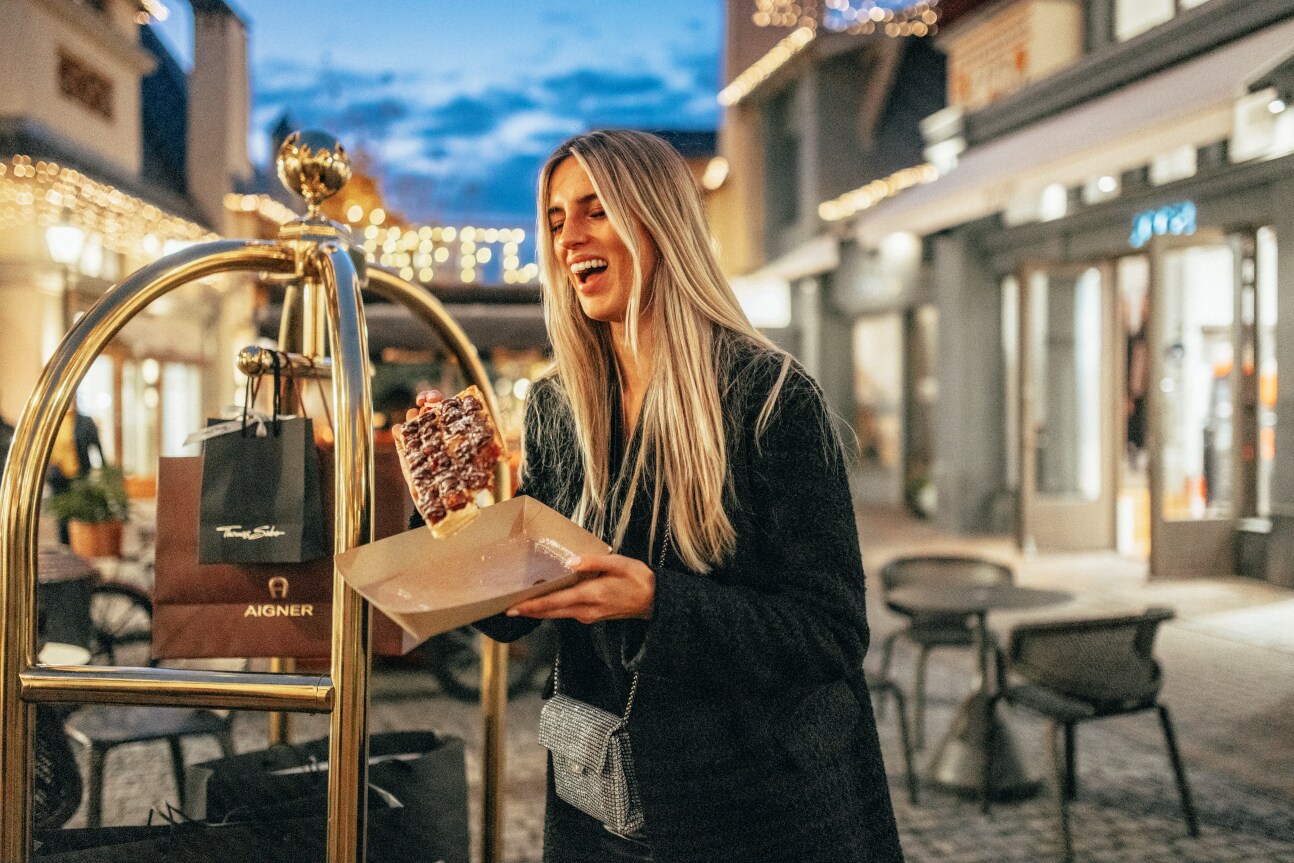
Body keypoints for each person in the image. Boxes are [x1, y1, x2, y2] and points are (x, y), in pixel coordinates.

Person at [418, 130, 903, 862]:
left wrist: (657, 602)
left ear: (659, 222)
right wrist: (462, 528)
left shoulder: (770, 399)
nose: (569, 238)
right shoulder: (558, 407)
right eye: (556, 219)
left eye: (596, 211)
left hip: (758, 813)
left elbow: (831, 633)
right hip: (601, 808)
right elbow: (519, 615)